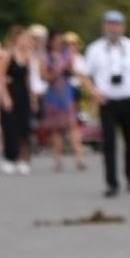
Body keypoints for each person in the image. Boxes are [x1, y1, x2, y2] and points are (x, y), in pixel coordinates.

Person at [83, 11, 130, 198]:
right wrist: (93, 92)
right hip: (106, 101)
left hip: (127, 99)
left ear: (123, 27)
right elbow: (84, 75)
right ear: (104, 26)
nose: (113, 28)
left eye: (117, 25)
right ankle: (111, 182)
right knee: (108, 142)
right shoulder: (95, 49)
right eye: (110, 24)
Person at [42, 31, 87, 173]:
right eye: (56, 40)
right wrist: (55, 71)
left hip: (67, 95)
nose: (59, 43)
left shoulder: (67, 56)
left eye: (61, 41)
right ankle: (58, 160)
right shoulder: (46, 58)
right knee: (56, 130)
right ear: (50, 42)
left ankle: (79, 158)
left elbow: (73, 72)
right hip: (53, 96)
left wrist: (69, 66)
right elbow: (43, 76)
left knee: (73, 127)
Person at [0, 26, 36, 175]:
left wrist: (32, 97)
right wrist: (5, 97)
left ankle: (23, 158)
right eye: (24, 38)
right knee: (10, 127)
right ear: (16, 39)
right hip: (11, 92)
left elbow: (28, 78)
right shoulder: (7, 55)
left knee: (24, 128)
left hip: (23, 94)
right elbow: (0, 77)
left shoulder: (27, 57)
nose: (27, 41)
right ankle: (9, 158)